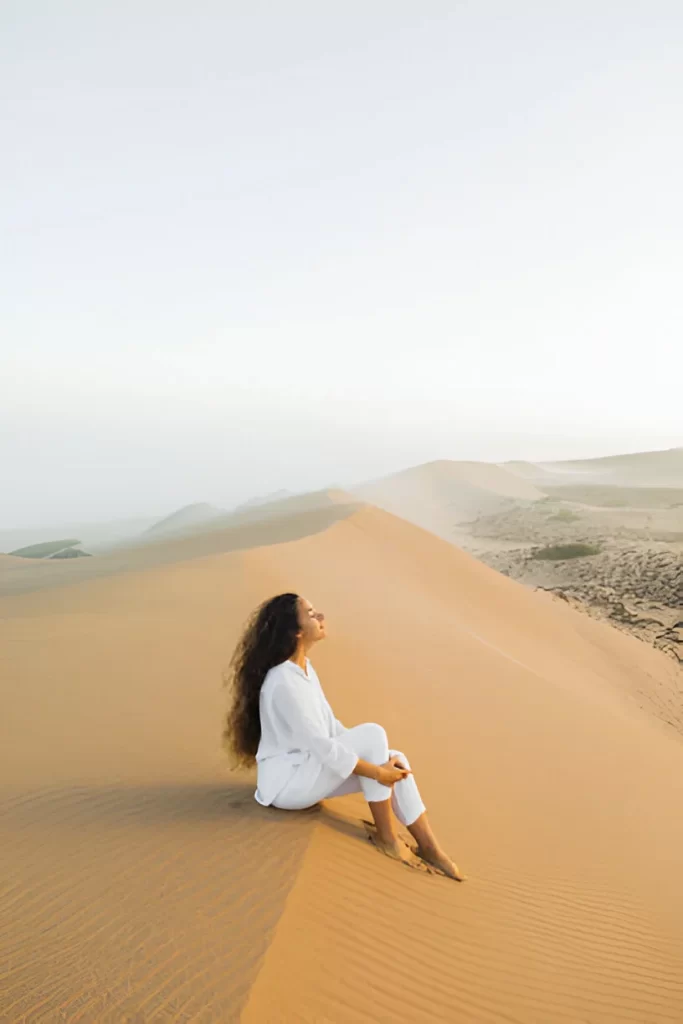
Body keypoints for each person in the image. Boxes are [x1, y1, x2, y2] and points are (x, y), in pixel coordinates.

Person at [223, 592, 465, 880]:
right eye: (311, 614)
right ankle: (387, 838)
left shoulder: (304, 670)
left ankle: (429, 847)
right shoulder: (283, 681)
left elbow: (330, 725)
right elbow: (323, 746)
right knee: (374, 737)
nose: (320, 617)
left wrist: (375, 763)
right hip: (287, 787)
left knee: (394, 758)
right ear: (297, 632)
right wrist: (375, 771)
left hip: (308, 770)